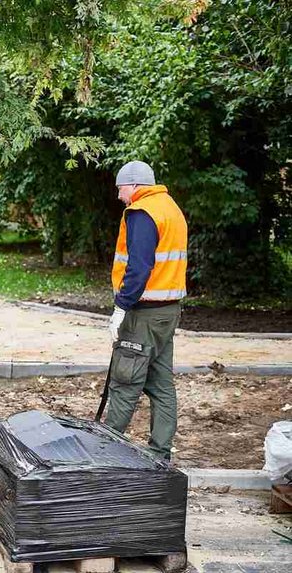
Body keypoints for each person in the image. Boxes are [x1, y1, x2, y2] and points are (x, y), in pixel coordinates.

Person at [106, 160, 188, 461]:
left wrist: (121, 307)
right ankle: (160, 454)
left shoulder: (142, 212)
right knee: (161, 384)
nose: (119, 196)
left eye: (121, 188)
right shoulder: (171, 208)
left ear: (135, 185)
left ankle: (104, 451)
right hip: (168, 312)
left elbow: (139, 268)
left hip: (144, 313)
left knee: (125, 381)